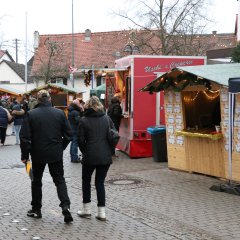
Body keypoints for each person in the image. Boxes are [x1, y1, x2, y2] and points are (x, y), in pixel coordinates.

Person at [19, 90, 73, 223]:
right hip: (55, 153)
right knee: (59, 180)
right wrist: (61, 147)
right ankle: (65, 206)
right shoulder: (59, 113)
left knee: (36, 181)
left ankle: (36, 209)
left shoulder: (31, 114)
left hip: (37, 153)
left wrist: (25, 155)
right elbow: (68, 135)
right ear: (49, 99)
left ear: (38, 100)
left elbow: (24, 137)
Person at [77, 96, 112, 221]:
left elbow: (80, 140)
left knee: (86, 181)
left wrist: (85, 151)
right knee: (100, 182)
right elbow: (112, 135)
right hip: (105, 156)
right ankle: (101, 212)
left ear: (87, 106)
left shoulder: (83, 120)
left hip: (90, 156)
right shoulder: (107, 119)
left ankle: (86, 210)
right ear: (100, 105)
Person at [67, 98, 84, 163]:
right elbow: (79, 121)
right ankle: (74, 158)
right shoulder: (75, 112)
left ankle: (73, 156)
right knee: (75, 143)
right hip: (75, 129)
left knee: (73, 143)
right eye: (79, 104)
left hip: (72, 128)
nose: (80, 105)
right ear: (76, 105)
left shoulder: (71, 110)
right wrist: (82, 112)